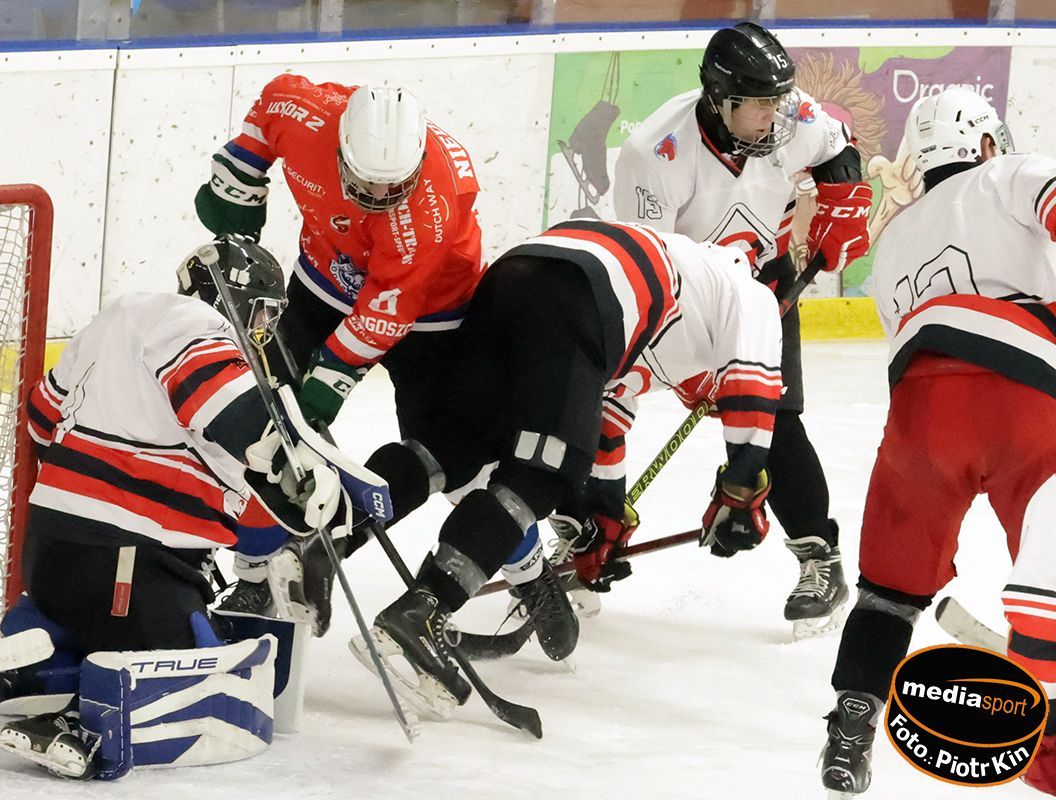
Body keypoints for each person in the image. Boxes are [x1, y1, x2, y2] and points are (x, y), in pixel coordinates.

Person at [344, 219, 784, 717]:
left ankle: (327, 532)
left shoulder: (683, 293)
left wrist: (601, 519)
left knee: (457, 443)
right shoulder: (749, 294)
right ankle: (424, 611)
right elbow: (754, 393)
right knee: (540, 475)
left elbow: (601, 421)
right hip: (580, 296)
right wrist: (741, 494)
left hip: (515, 276)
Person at [0, 236, 348, 778]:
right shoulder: (198, 326)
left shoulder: (112, 322)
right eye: (263, 312)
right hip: (126, 566)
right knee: (208, 671)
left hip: (50, 560)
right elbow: (229, 412)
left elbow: (41, 419)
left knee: (129, 622)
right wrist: (301, 467)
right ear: (235, 298)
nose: (263, 330)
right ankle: (78, 722)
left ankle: (40, 653)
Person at [194, 75, 523, 634]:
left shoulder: (429, 209)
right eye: (365, 180)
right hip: (324, 279)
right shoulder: (303, 113)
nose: (376, 195)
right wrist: (240, 177)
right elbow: (267, 111)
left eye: (393, 186)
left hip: (433, 312)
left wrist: (322, 387)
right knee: (265, 430)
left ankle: (527, 567)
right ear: (340, 146)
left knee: (453, 454)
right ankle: (254, 573)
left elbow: (384, 315)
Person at [819, 88, 1056, 796]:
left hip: (919, 417)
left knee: (888, 589)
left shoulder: (893, 240)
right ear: (984, 143)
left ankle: (851, 725)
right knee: (1050, 572)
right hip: (1025, 393)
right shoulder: (1010, 172)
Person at [609, 21, 872, 637]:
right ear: (719, 99)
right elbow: (653, 271)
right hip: (684, 296)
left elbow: (837, 149)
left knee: (776, 420)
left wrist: (842, 205)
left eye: (778, 101)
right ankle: (586, 527)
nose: (774, 116)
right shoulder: (655, 154)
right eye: (758, 105)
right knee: (602, 399)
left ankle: (819, 556)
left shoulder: (791, 115)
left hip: (766, 285)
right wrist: (696, 368)